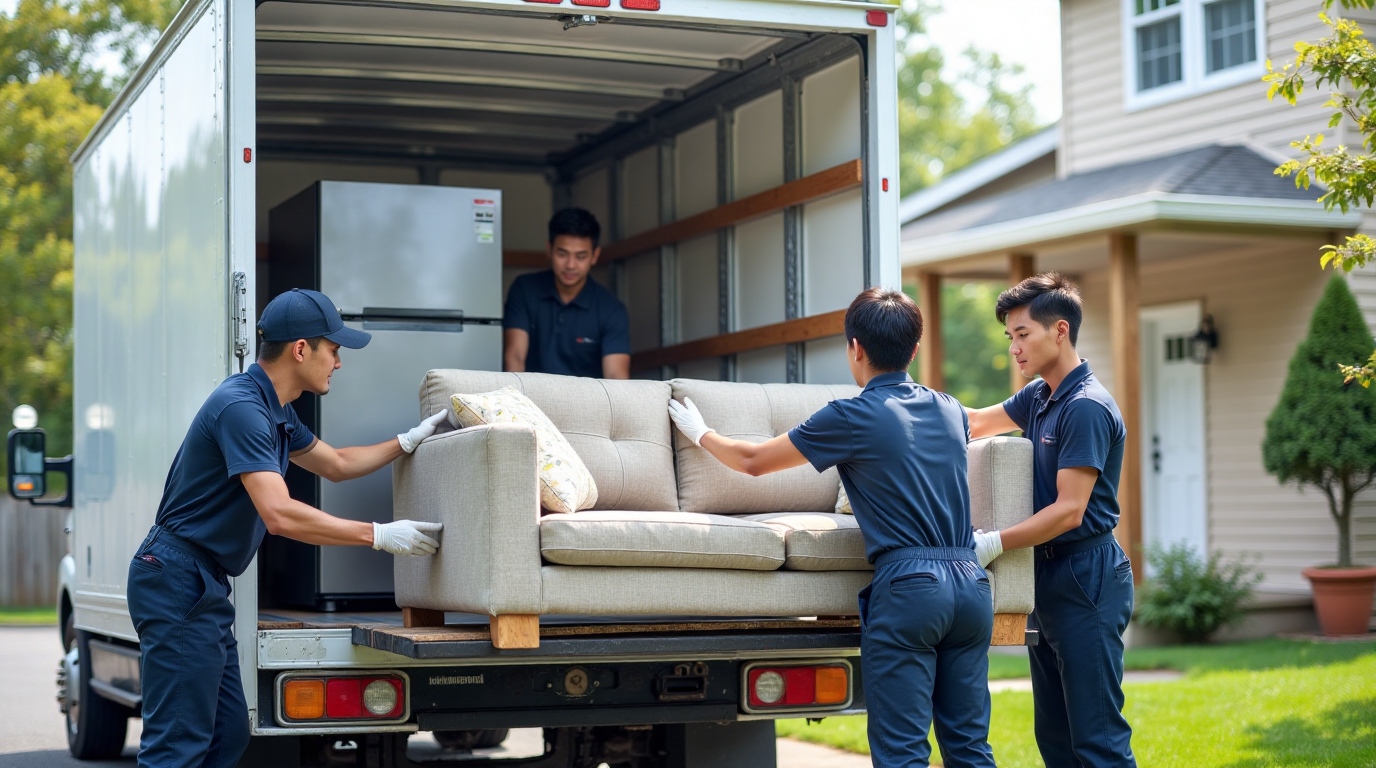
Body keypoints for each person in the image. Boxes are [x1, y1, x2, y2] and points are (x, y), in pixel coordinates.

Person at [667, 288, 995, 768]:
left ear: (855, 348)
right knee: (970, 748)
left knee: (903, 753)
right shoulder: (948, 407)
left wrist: (701, 433)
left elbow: (754, 461)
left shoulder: (851, 415)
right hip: (972, 586)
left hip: (911, 590)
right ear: (914, 350)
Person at [126, 288, 449, 768]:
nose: (338, 362)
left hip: (202, 581)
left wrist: (405, 442)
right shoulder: (242, 408)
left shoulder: (276, 409)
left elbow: (336, 463)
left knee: (225, 736)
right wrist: (379, 535)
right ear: (301, 349)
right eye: (333, 349)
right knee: (177, 747)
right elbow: (279, 514)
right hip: (176, 580)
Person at [966, 273, 1136, 767]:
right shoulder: (1041, 395)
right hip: (1045, 573)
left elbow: (1069, 510)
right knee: (1056, 741)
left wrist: (994, 543)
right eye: (1010, 337)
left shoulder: (1085, 407)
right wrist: (910, 406)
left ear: (1059, 331)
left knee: (1098, 742)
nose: (1014, 348)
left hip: (1087, 577)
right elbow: (977, 422)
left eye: (1023, 334)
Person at [502, 208, 631, 379]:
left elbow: (616, 377)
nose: (570, 265)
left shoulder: (611, 310)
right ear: (549, 250)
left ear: (595, 256)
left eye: (580, 256)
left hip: (586, 397)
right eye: (562, 254)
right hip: (530, 395)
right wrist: (516, 396)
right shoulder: (524, 290)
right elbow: (515, 357)